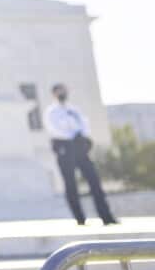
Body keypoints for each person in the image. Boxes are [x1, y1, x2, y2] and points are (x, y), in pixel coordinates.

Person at [46, 83, 118, 225]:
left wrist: (82, 138)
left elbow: (84, 125)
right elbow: (55, 129)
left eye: (64, 90)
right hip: (65, 148)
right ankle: (80, 219)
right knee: (71, 184)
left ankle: (106, 216)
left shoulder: (74, 110)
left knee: (94, 181)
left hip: (79, 147)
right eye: (59, 91)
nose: (62, 93)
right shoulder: (52, 111)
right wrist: (72, 136)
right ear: (54, 93)